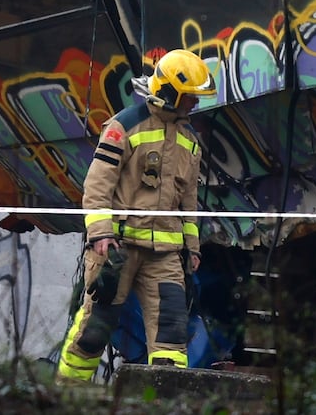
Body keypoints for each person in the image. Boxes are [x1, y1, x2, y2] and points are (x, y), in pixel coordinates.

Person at [56, 48, 216, 382]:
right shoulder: (124, 126)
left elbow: (188, 202)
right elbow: (97, 185)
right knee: (95, 330)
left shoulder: (190, 141)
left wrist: (193, 247)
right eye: (190, 97)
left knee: (172, 338)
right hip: (118, 249)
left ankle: (160, 402)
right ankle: (68, 395)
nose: (195, 104)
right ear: (170, 92)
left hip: (166, 256)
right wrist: (100, 233)